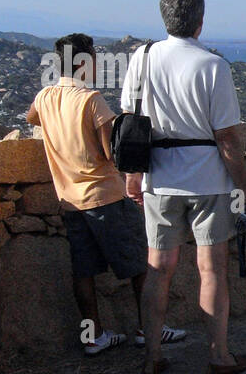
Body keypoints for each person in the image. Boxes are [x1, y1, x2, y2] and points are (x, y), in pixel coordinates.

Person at [120, 0, 246, 374]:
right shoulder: (213, 65)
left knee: (158, 269)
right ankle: (219, 355)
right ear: (201, 21)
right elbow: (227, 140)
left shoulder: (142, 57)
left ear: (164, 18)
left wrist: (132, 175)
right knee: (212, 270)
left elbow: (131, 119)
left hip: (157, 177)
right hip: (207, 179)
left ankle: (151, 357)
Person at [26, 33, 186, 355]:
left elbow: (31, 119)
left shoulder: (45, 97)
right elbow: (111, 153)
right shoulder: (90, 100)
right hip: (105, 196)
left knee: (84, 273)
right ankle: (148, 329)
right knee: (140, 265)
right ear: (85, 62)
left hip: (70, 201)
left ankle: (93, 337)